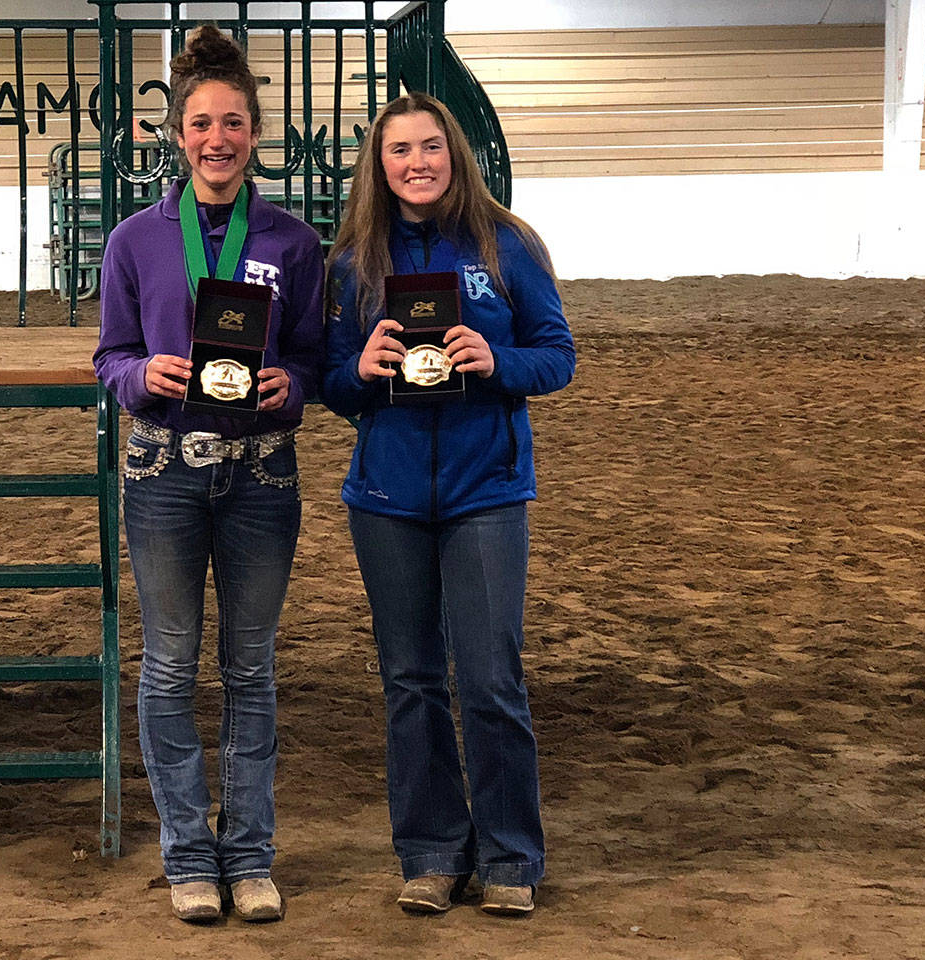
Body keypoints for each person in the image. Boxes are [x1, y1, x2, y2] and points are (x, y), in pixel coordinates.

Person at [320, 92, 575, 917]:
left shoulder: (507, 245)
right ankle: (430, 852)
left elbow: (557, 356)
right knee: (411, 679)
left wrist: (493, 358)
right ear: (379, 163)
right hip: (386, 498)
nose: (417, 163)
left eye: (431, 146)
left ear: (454, 154)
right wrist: (357, 371)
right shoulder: (353, 259)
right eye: (400, 150)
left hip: (486, 494)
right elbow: (330, 382)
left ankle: (510, 857)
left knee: (492, 680)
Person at [93, 24, 324, 924]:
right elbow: (108, 353)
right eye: (201, 123)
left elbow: (312, 357)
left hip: (262, 476)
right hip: (162, 474)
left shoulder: (295, 244)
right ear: (176, 134)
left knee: (253, 668)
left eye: (233, 122)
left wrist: (290, 385)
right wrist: (135, 376)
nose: (216, 138)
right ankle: (190, 856)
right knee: (169, 668)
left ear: (256, 134)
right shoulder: (136, 241)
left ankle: (252, 856)